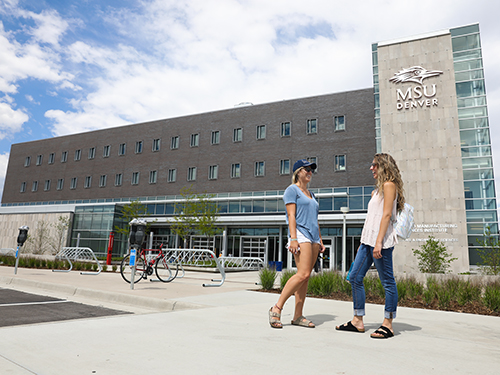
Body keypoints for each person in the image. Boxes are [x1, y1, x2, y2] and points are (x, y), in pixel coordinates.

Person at [336, 153, 405, 339]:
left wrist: (379, 242)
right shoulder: (377, 190)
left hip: (380, 242)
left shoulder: (389, 186)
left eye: (374, 165)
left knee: (387, 282)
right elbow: (371, 219)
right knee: (355, 276)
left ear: (383, 166)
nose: (371, 168)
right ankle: (357, 320)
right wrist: (363, 243)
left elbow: (385, 216)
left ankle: (388, 324)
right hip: (368, 242)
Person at [269, 159, 325, 329]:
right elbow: (291, 216)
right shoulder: (291, 190)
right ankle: (276, 308)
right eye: (306, 169)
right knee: (302, 274)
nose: (310, 172)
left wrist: (320, 238)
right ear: (297, 172)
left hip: (313, 236)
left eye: (311, 170)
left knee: (306, 277)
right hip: (300, 233)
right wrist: (293, 238)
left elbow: (315, 219)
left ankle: (298, 316)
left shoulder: (311, 194)